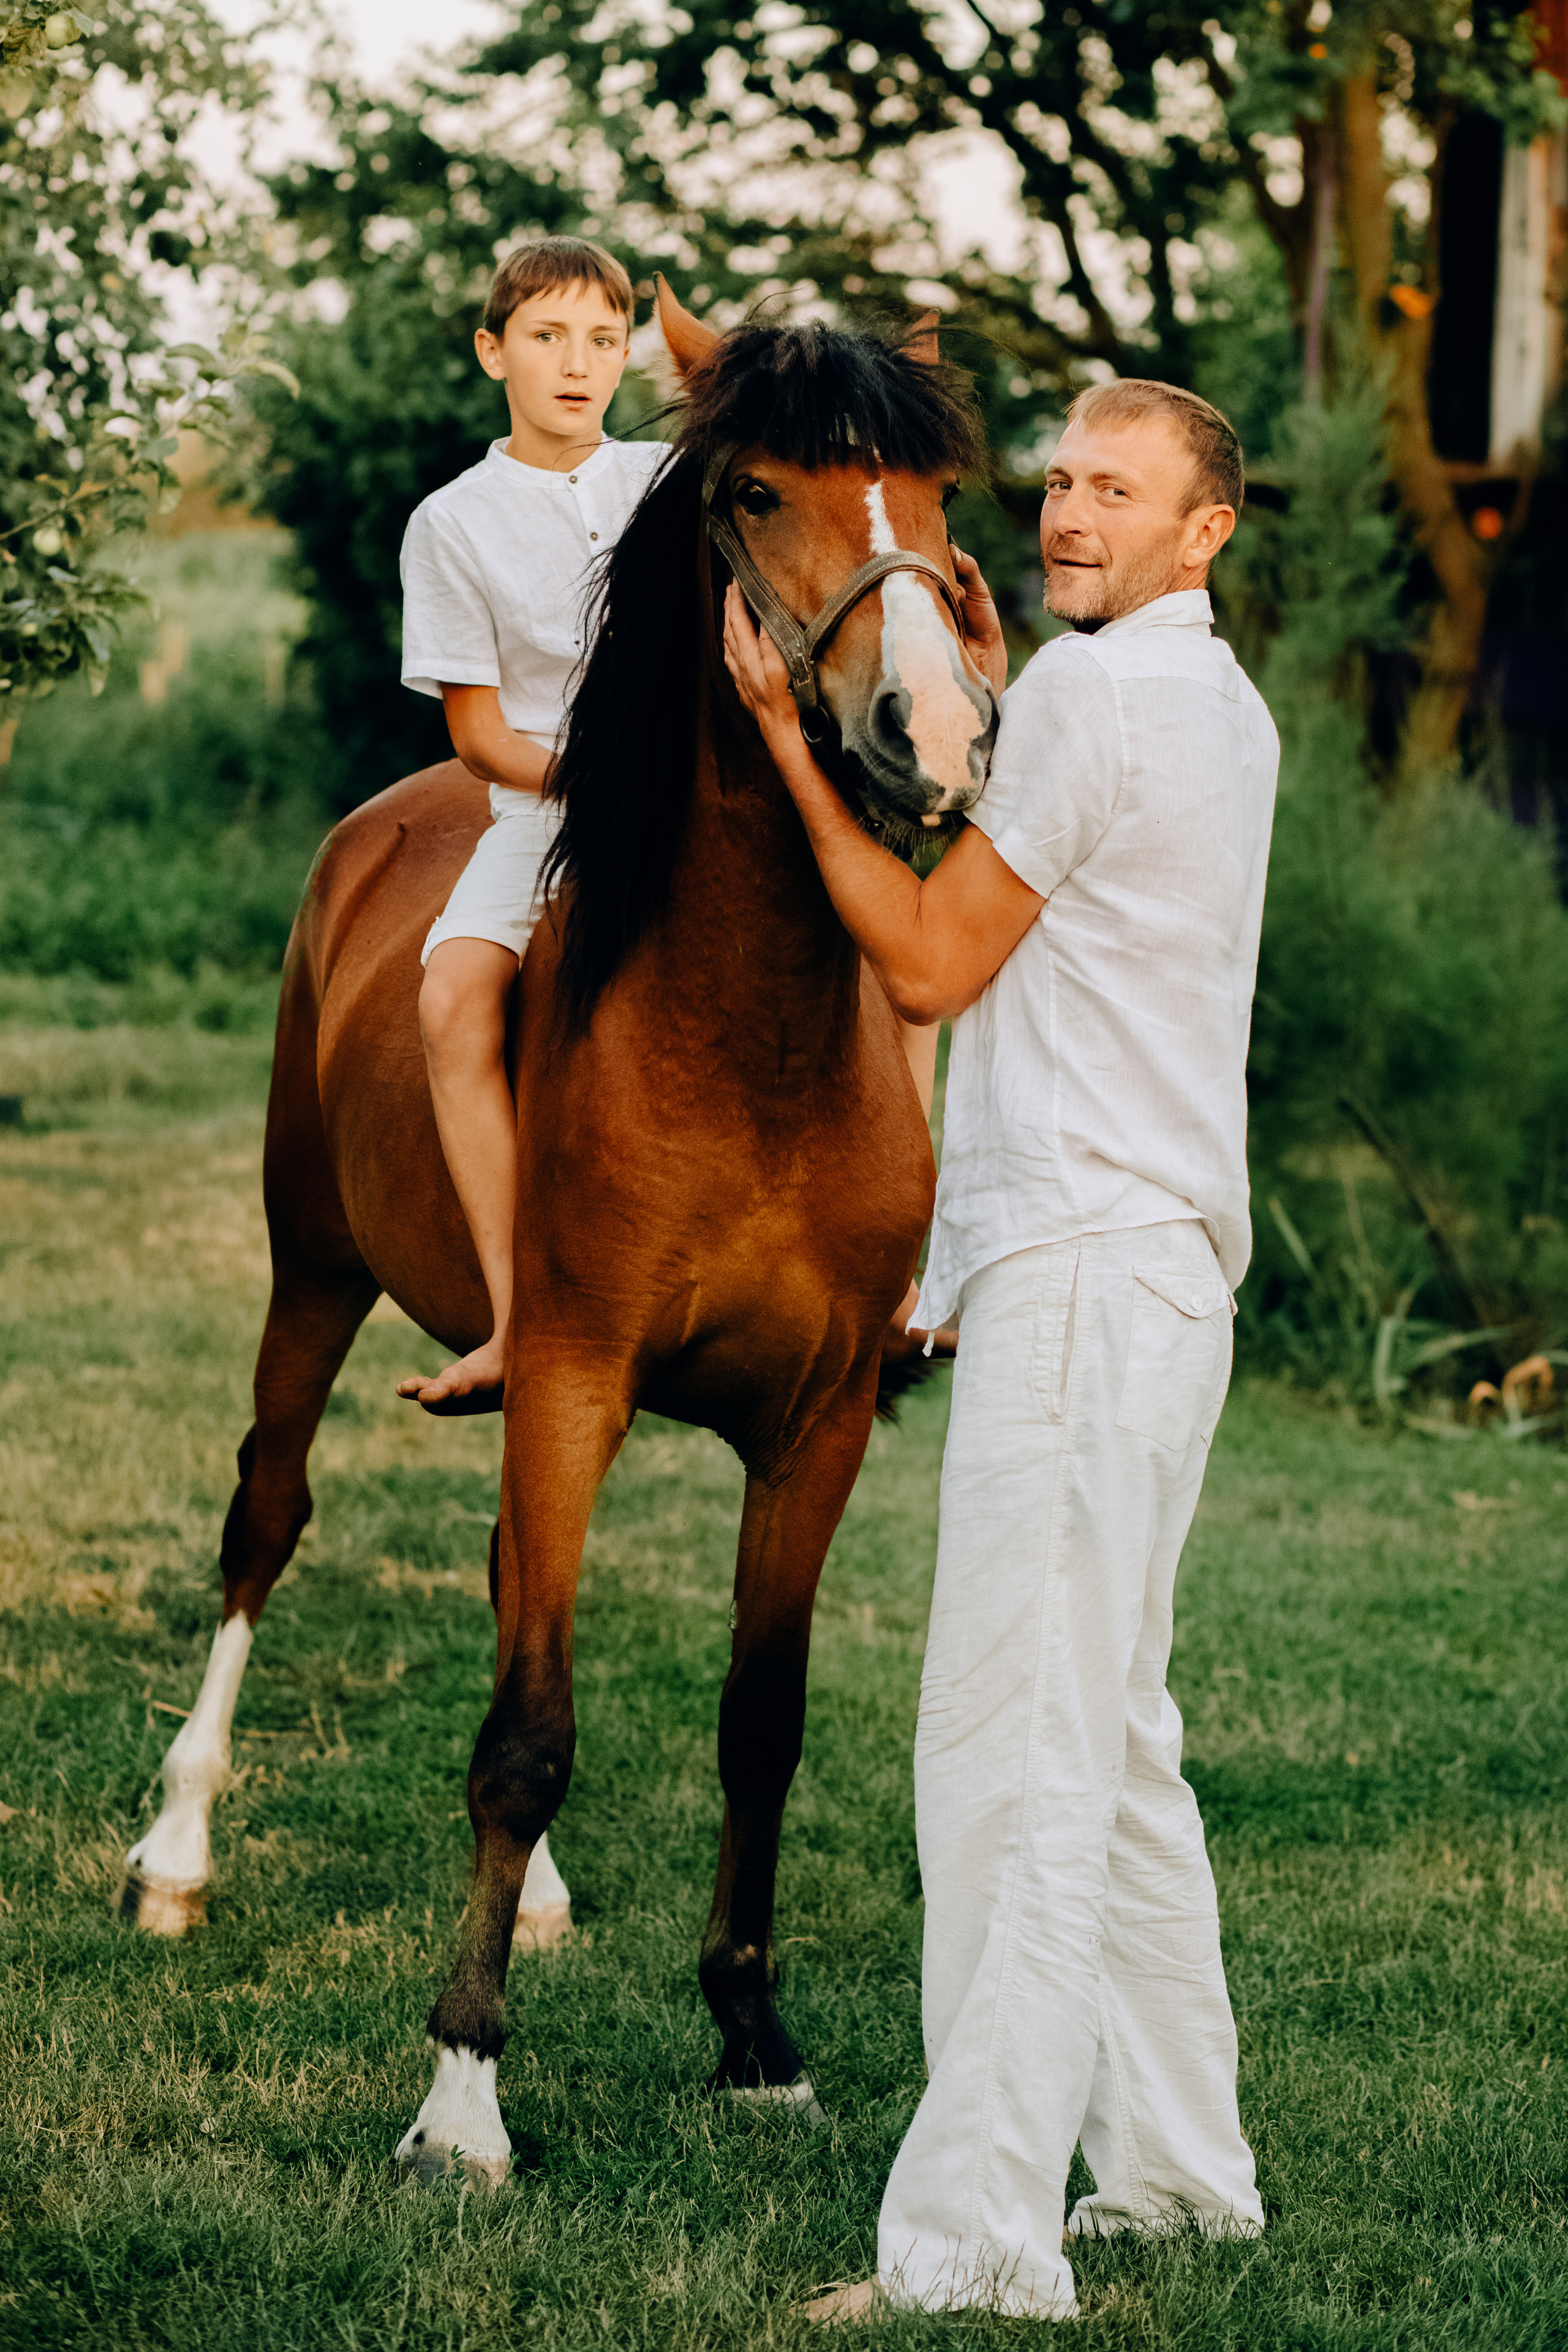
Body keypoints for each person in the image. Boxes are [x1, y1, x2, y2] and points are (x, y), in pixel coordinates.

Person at [723, 379, 1277, 2321]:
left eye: (1117, 491)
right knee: (1116, 1751)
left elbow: (935, 961)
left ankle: (970, 2247)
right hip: (1157, 1277)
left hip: (1085, 1280)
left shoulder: (1107, 699)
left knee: (1005, 1767)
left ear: (1204, 533)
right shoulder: (1209, 702)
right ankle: (1189, 2180)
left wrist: (792, 747)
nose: (1069, 512)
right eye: (1056, 480)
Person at [395, 236, 667, 1411]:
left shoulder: (671, 482)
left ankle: (897, 1279)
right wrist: (608, 783)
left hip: (704, 795)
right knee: (451, 991)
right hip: (546, 807)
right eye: (549, 337)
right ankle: (515, 1318)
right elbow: (483, 737)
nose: (578, 365)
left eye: (604, 341)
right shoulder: (452, 524)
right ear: (491, 351)